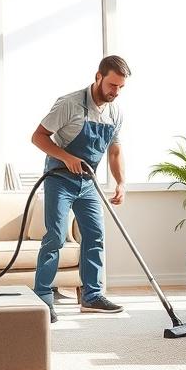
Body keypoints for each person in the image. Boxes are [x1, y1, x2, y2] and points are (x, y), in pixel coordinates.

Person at [31, 55, 130, 323]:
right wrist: (66, 156)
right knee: (55, 237)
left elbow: (115, 151)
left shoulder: (115, 112)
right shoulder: (69, 103)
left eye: (120, 87)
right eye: (112, 85)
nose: (115, 92)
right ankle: (42, 299)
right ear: (98, 76)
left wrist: (120, 181)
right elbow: (38, 137)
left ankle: (92, 296)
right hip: (59, 179)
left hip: (88, 183)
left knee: (95, 235)